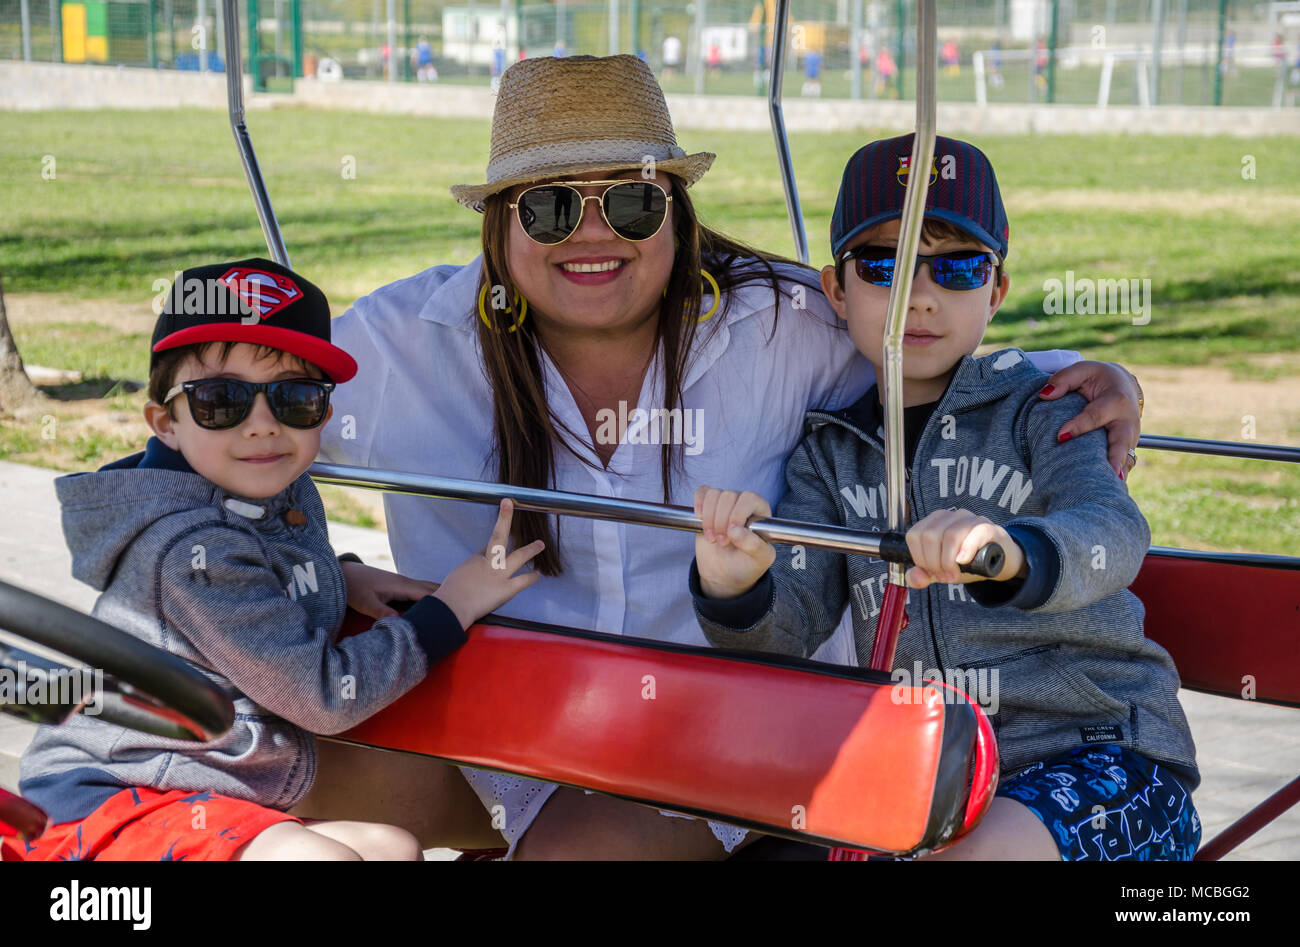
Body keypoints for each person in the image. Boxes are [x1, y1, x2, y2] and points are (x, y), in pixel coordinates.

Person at [301, 55, 1146, 861]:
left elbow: (929, 343)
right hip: (491, 731)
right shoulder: (404, 342)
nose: (592, 235)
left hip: (721, 750)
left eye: (631, 204)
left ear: (676, 210)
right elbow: (218, 439)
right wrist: (331, 566)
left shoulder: (779, 323)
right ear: (499, 221)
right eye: (551, 207)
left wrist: (1105, 382)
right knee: (273, 785)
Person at [690, 134, 1200, 861]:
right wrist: (733, 586)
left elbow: (1110, 531)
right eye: (883, 265)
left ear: (995, 291)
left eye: (958, 266)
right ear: (837, 290)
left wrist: (1008, 554)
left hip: (1102, 760)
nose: (919, 296)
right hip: (926, 773)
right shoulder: (830, 454)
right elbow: (786, 629)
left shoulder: (1047, 411)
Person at [10, 260, 543, 861]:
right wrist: (451, 607)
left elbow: (262, 572)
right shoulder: (190, 551)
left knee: (392, 848)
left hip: (213, 781)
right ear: (166, 422)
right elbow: (320, 697)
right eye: (220, 401)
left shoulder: (264, 488)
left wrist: (338, 575)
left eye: (295, 398)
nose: (263, 427)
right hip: (120, 789)